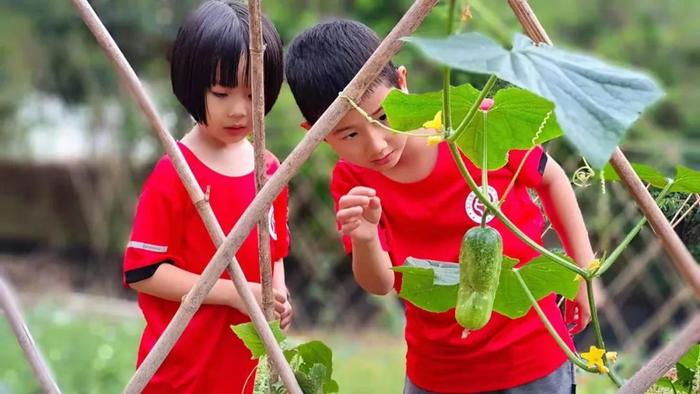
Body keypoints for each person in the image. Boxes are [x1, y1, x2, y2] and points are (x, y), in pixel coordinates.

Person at [286, 20, 593, 393]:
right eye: (349, 134)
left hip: (533, 356)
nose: (377, 145)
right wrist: (365, 239)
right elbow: (379, 284)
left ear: (403, 81)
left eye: (383, 118)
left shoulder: (475, 122)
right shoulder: (353, 181)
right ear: (313, 132)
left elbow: (552, 178)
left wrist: (582, 271)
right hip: (438, 373)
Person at [122, 1, 291, 392]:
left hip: (246, 372)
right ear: (191, 84)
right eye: (222, 93)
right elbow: (144, 271)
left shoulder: (269, 170)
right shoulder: (177, 171)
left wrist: (277, 294)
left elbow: (275, 250)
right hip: (182, 373)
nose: (239, 111)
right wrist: (236, 294)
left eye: (254, 95)